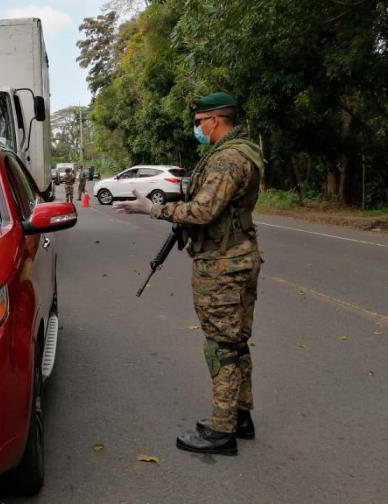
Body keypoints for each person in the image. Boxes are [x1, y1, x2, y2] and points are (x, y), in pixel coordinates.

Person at [115, 92, 264, 456]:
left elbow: (202, 211)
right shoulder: (242, 151)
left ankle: (221, 430)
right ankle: (239, 416)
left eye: (200, 122)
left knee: (222, 345)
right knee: (236, 342)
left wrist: (154, 209)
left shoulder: (228, 158)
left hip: (223, 265)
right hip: (236, 257)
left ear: (215, 120)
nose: (197, 128)